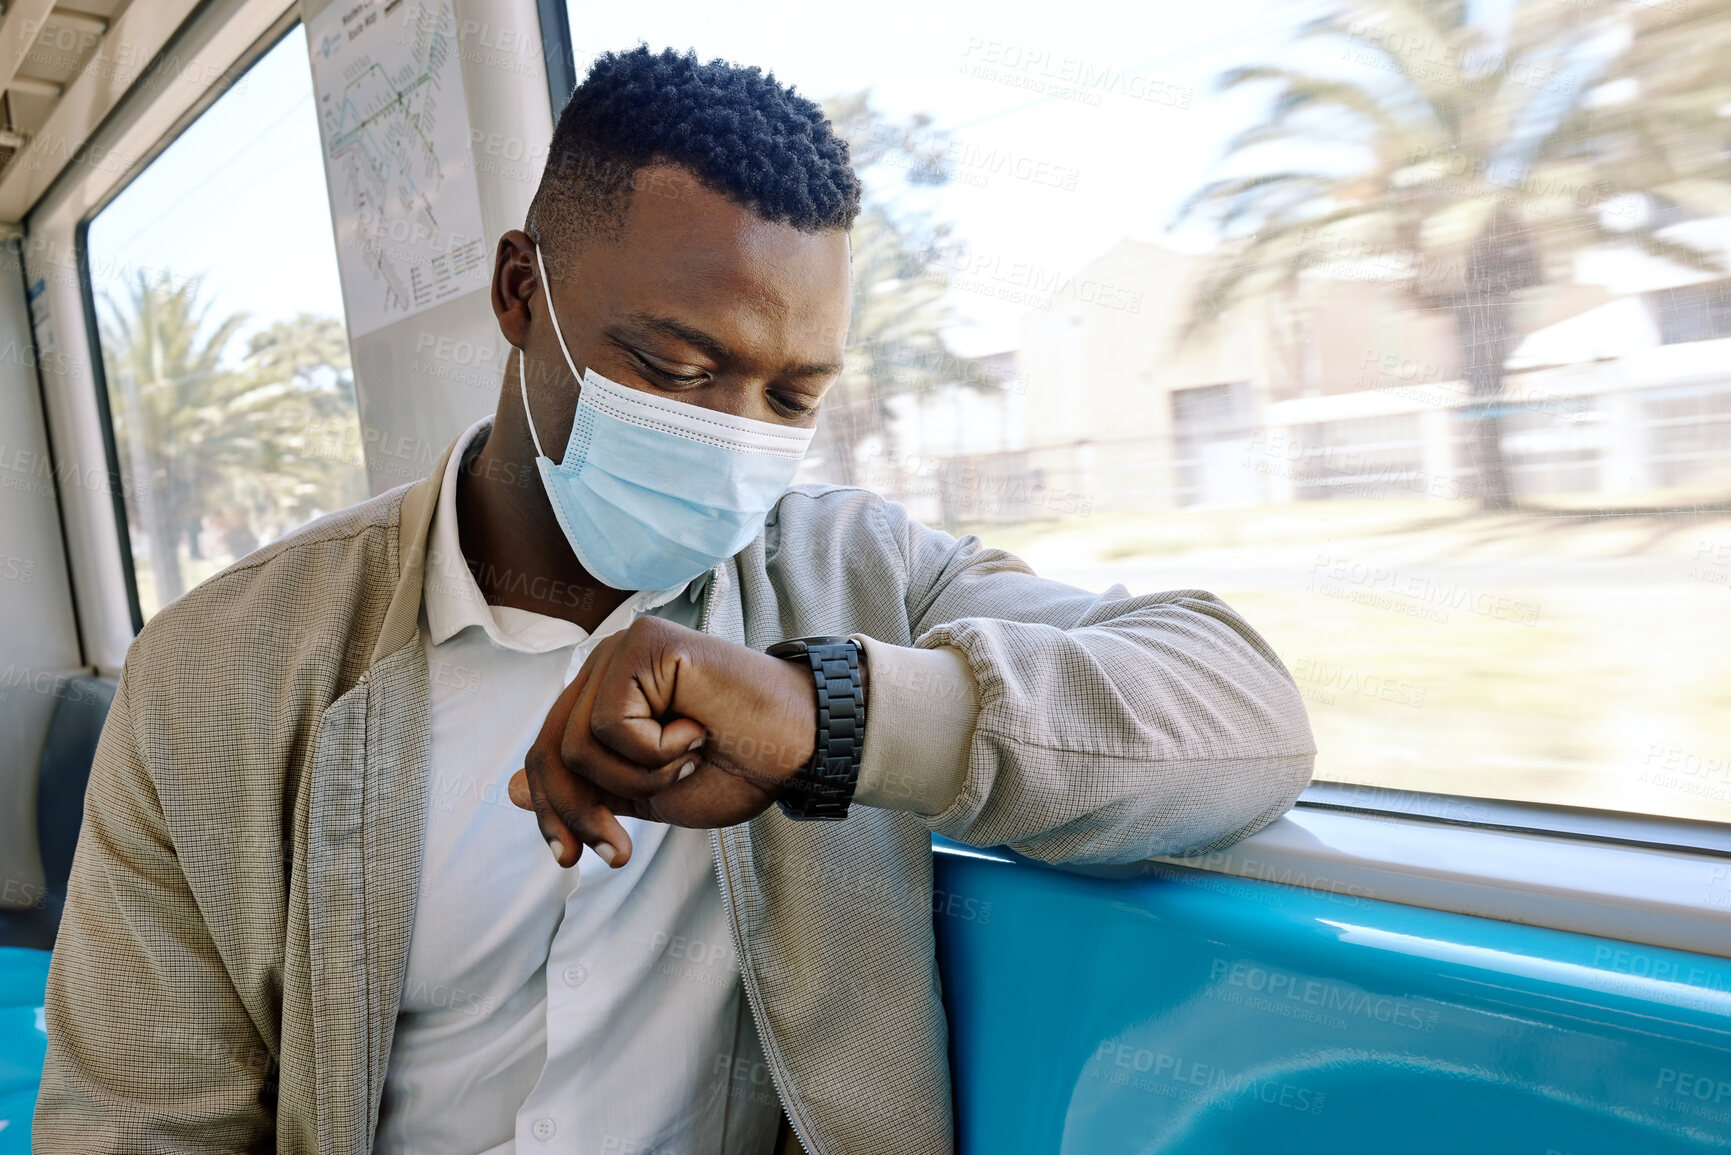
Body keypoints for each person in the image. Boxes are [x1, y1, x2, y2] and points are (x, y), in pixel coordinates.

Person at [34, 46, 1315, 1155]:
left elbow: (1242, 708)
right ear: (519, 293)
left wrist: (827, 716)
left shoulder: (855, 580)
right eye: (677, 365)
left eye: (793, 398)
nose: (735, 438)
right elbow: (141, 1123)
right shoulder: (223, 675)